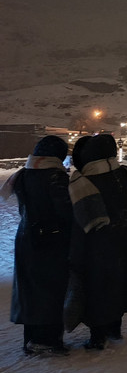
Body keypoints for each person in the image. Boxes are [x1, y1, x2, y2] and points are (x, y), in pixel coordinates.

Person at [67, 134, 127, 350]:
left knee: (96, 286)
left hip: (95, 243)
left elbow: (79, 217)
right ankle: (114, 328)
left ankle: (97, 336)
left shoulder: (83, 181)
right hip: (124, 238)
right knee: (119, 282)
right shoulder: (126, 173)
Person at [3, 135, 73, 356]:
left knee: (31, 290)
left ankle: (32, 339)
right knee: (51, 289)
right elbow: (65, 211)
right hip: (51, 241)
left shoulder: (23, 174)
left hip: (26, 237)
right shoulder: (55, 177)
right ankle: (47, 341)